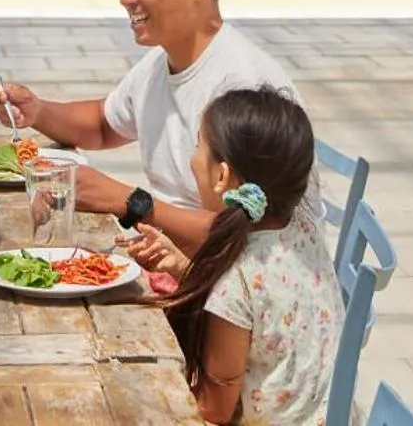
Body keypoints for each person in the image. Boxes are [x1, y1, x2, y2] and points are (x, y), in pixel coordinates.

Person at [0, 0, 305, 251]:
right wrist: (36, 111)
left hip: (239, 292)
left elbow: (248, 231)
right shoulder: (162, 61)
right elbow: (103, 124)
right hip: (178, 262)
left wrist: (130, 202)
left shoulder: (243, 89)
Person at [119, 86, 341, 426]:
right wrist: (186, 270)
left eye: (197, 146)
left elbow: (213, 409)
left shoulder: (235, 286)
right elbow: (267, 312)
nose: (193, 158)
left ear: (221, 176)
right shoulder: (303, 228)